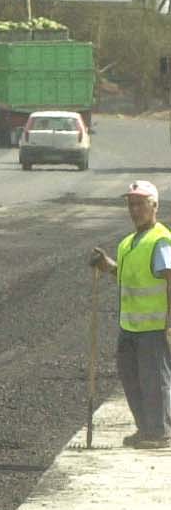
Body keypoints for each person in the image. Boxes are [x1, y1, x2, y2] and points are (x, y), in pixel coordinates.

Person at [89, 180, 171, 449]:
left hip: (153, 327)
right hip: (129, 327)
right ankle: (145, 429)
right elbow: (125, 276)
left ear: (154, 206)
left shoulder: (160, 240)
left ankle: (160, 432)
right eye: (131, 204)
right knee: (132, 379)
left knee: (154, 380)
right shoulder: (127, 243)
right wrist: (106, 265)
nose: (135, 209)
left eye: (140, 204)